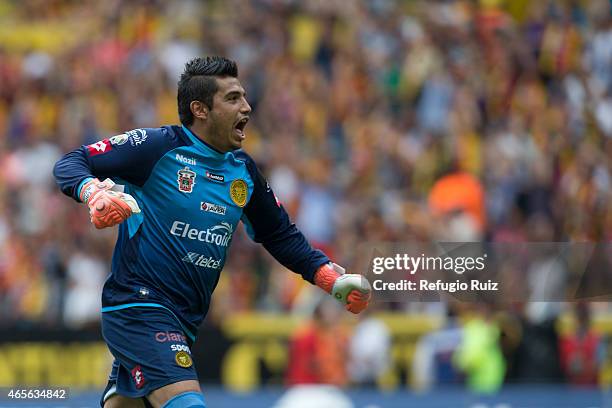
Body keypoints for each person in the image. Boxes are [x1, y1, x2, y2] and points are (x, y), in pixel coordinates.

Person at [53, 56, 371, 408]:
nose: (247, 108)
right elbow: (72, 162)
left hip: (184, 320)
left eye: (244, 97)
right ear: (200, 109)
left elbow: (279, 234)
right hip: (139, 306)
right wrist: (93, 193)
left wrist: (329, 278)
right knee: (188, 403)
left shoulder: (243, 171)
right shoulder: (159, 147)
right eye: (233, 98)